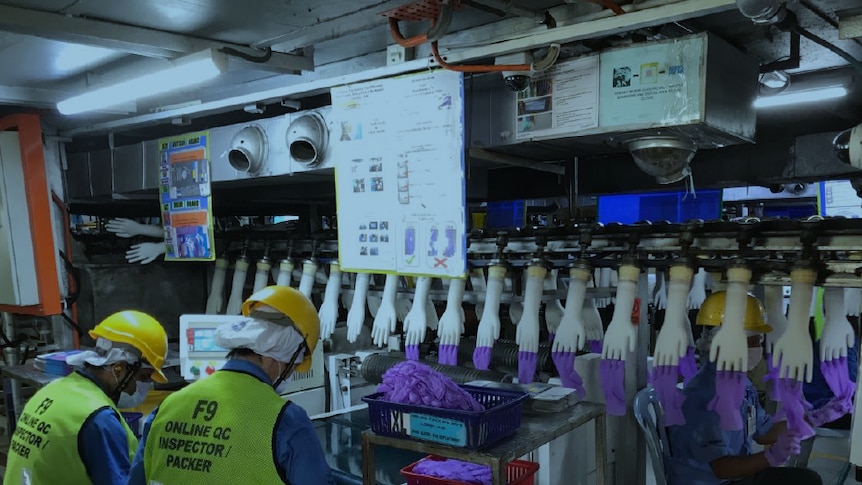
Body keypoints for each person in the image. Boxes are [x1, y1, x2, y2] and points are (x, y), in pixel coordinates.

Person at [128, 285, 333, 485]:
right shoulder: (287, 421)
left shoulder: (164, 409)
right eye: (294, 364)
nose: (293, 371)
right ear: (277, 355)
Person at [666, 291, 822, 485]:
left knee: (806, 479)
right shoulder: (703, 397)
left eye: (758, 341)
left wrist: (806, 419)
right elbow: (722, 469)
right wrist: (771, 457)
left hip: (734, 478)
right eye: (751, 342)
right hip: (712, 481)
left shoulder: (742, 384)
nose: (757, 349)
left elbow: (763, 432)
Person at [3, 310, 168, 485]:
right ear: (119, 368)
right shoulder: (99, 418)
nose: (143, 388)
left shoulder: (51, 391)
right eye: (143, 378)